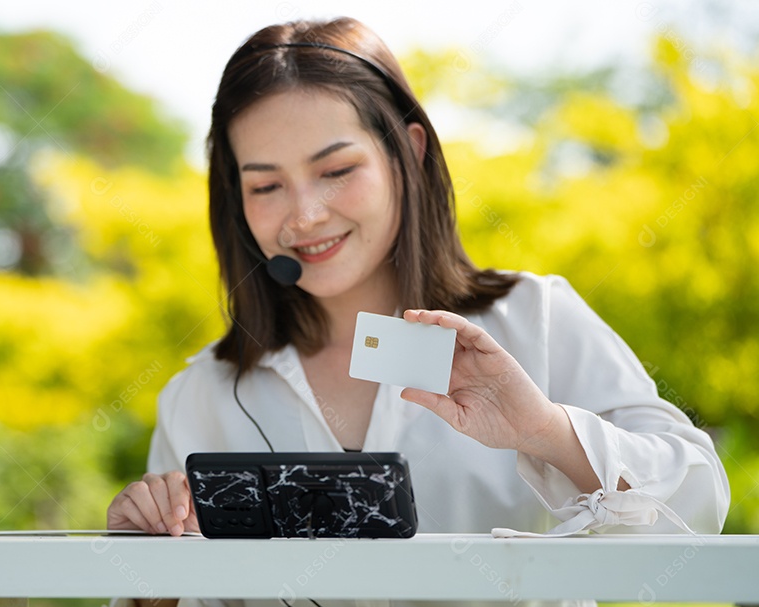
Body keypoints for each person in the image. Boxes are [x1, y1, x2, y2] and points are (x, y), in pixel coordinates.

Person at [106, 16, 730, 607]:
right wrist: (148, 580)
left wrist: (544, 429)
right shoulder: (203, 394)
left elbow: (700, 509)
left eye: (336, 169)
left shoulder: (533, 319)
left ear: (408, 152)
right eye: (266, 186)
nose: (304, 216)